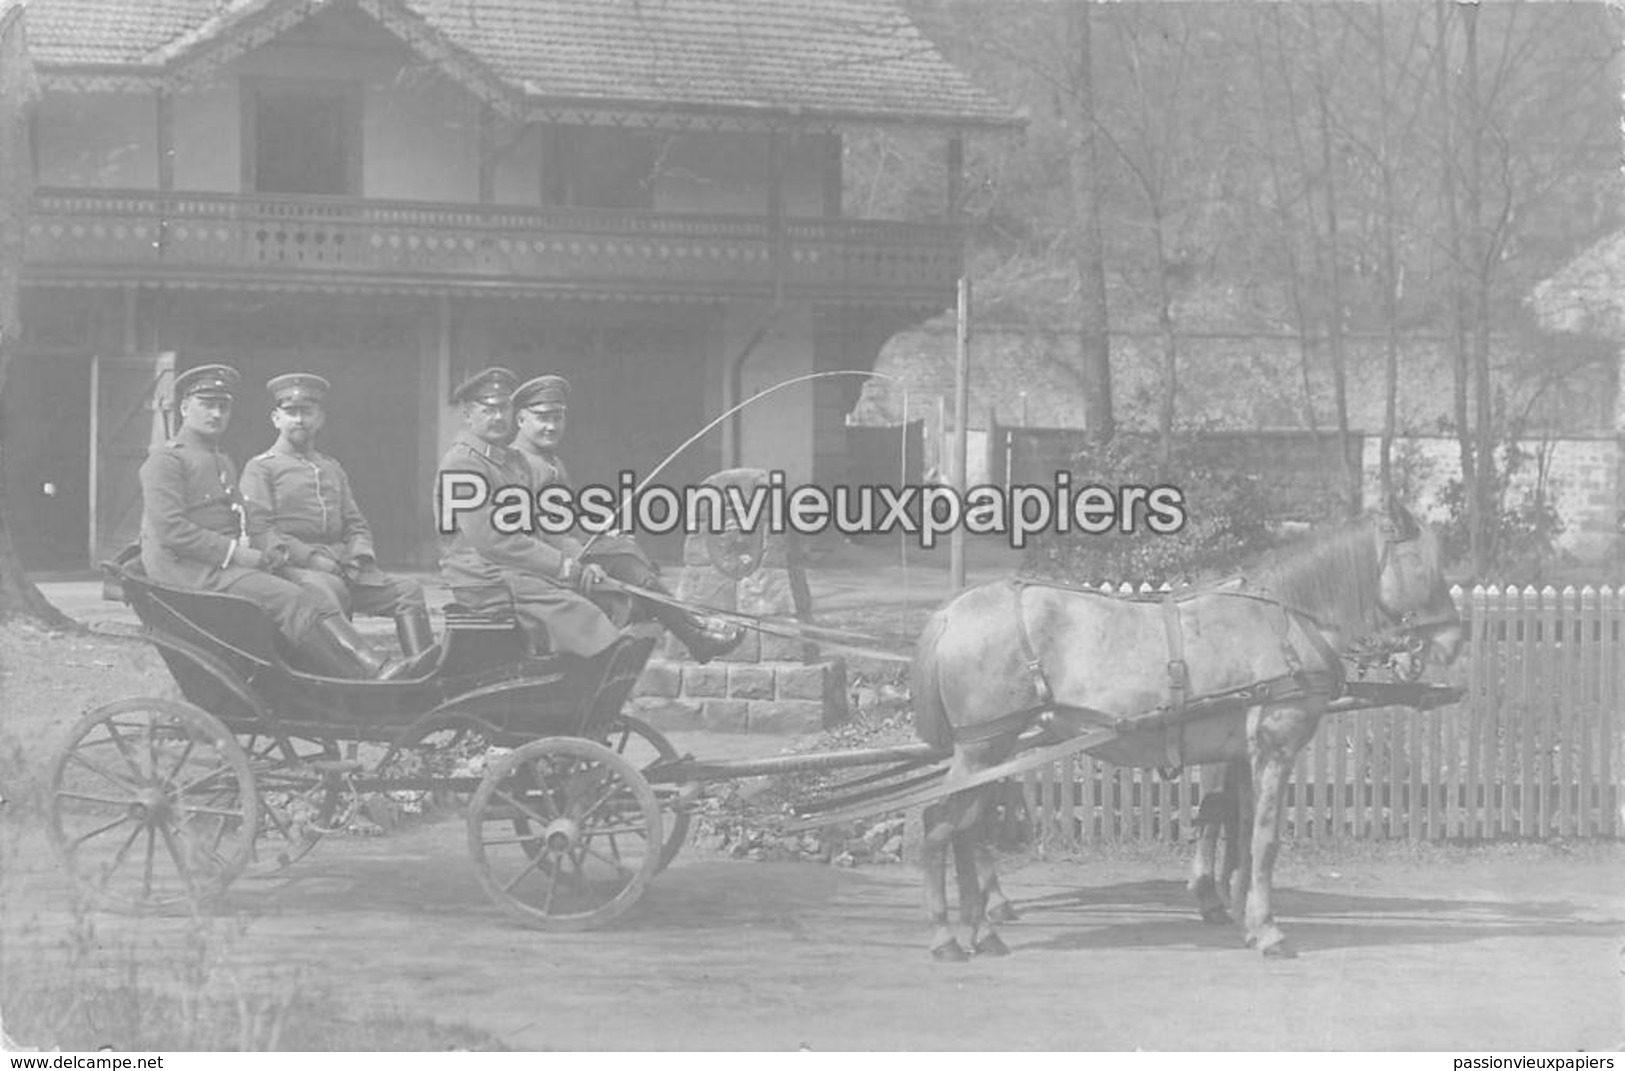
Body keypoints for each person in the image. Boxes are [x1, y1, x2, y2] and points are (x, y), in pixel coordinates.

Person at [138, 364, 416, 680]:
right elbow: (172, 531)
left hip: (217, 566)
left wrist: (269, 555)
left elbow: (244, 520)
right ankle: (358, 678)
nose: (216, 414)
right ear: (185, 408)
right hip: (188, 572)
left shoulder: (220, 459)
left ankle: (364, 667)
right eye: (207, 405)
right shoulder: (166, 460)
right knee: (291, 598)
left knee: (305, 589)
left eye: (223, 406)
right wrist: (237, 554)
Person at [509, 373, 742, 662]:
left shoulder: (551, 461)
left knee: (624, 548)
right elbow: (535, 531)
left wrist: (600, 529)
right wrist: (581, 557)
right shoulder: (516, 465)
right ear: (520, 420)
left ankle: (692, 629)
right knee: (624, 560)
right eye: (542, 418)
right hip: (540, 563)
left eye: (558, 418)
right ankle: (693, 631)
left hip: (564, 548)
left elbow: (563, 518)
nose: (551, 426)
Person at [239, 372, 438, 671]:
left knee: (408, 591)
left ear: (320, 417)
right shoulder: (261, 468)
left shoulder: (330, 467)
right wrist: (315, 560)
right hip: (293, 570)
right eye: (291, 413)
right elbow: (262, 531)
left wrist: (357, 557)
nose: (299, 420)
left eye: (307, 412)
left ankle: (423, 671)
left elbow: (356, 523)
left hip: (344, 566)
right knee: (327, 590)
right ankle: (367, 673)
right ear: (275, 418)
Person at [435, 367, 623, 660]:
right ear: (467, 415)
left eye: (503, 409)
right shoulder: (462, 464)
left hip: (515, 569)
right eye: (488, 409)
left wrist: (581, 561)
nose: (498, 417)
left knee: (611, 594)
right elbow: (493, 541)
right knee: (584, 617)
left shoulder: (513, 461)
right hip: (483, 575)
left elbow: (546, 526)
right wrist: (561, 567)